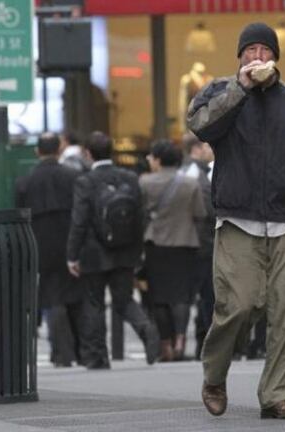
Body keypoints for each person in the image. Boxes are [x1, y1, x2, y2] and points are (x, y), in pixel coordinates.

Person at [187, 22, 285, 419]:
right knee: (235, 306)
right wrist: (240, 89)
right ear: (239, 57)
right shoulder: (222, 92)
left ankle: (277, 396)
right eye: (250, 50)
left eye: (264, 51)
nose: (257, 57)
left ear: (275, 57)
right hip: (237, 219)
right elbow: (201, 126)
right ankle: (214, 375)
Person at [66, 131, 159, 368]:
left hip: (93, 252)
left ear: (88, 154)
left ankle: (98, 357)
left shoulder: (85, 182)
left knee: (94, 303)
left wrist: (72, 255)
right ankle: (146, 329)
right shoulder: (129, 178)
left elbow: (79, 221)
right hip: (125, 251)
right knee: (124, 299)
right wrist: (138, 252)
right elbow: (140, 217)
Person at [15, 132, 83, 367]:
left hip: (40, 245)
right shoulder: (73, 177)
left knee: (52, 298)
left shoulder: (25, 182)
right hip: (69, 241)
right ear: (59, 149)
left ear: (37, 151)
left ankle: (61, 353)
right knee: (73, 296)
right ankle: (77, 351)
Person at [140, 139, 206, 361]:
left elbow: (140, 214)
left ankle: (165, 344)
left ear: (158, 160)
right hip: (185, 244)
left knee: (159, 297)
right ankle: (180, 341)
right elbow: (200, 213)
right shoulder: (190, 184)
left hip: (155, 245)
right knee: (181, 297)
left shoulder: (145, 182)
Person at [179, 132, 216, 361]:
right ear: (198, 147)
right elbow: (206, 211)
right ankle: (203, 343)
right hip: (202, 244)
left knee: (191, 297)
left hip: (188, 243)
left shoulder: (184, 172)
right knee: (206, 297)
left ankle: (191, 343)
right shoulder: (196, 174)